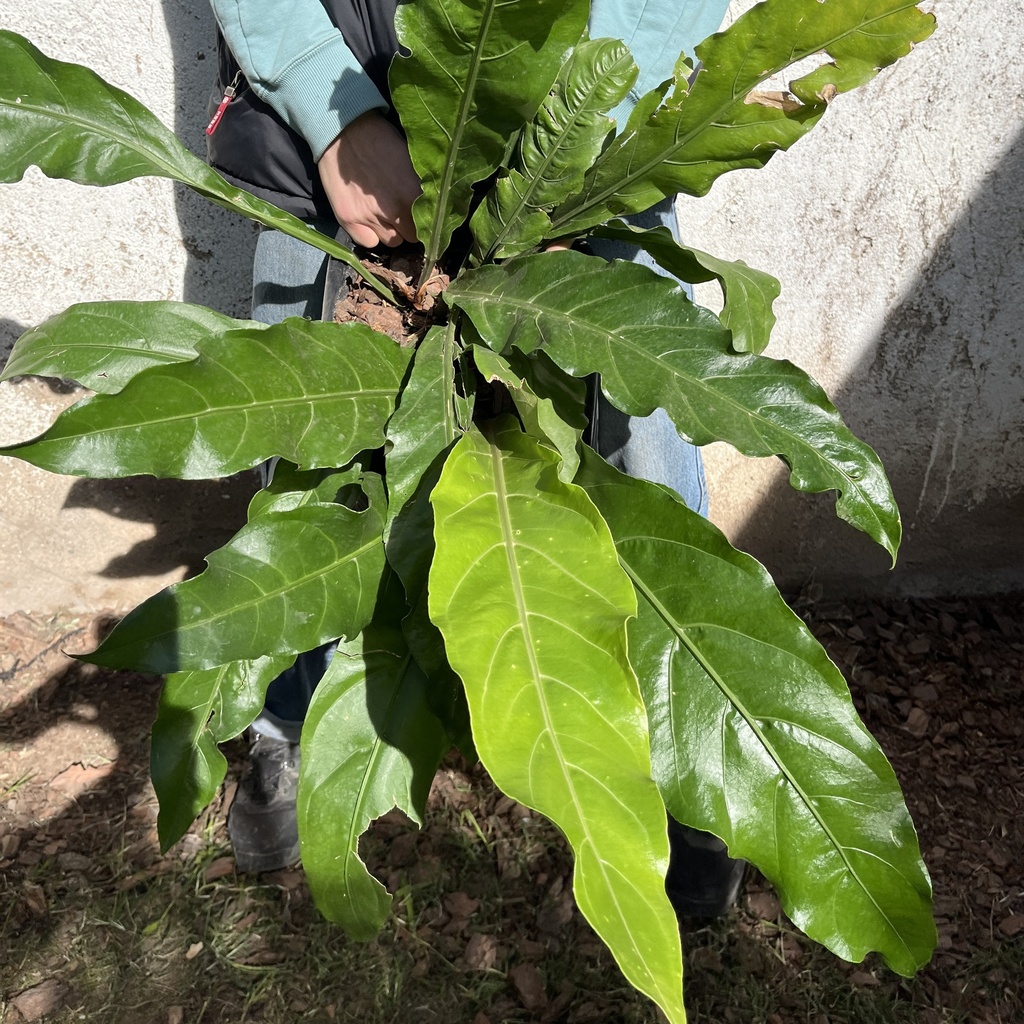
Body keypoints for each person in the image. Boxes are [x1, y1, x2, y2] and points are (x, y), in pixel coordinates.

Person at [206, 0, 744, 915]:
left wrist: (576, 141)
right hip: (331, 146)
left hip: (585, 156)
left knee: (641, 461)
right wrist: (330, 109)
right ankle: (289, 718)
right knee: (305, 478)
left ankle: (684, 757)